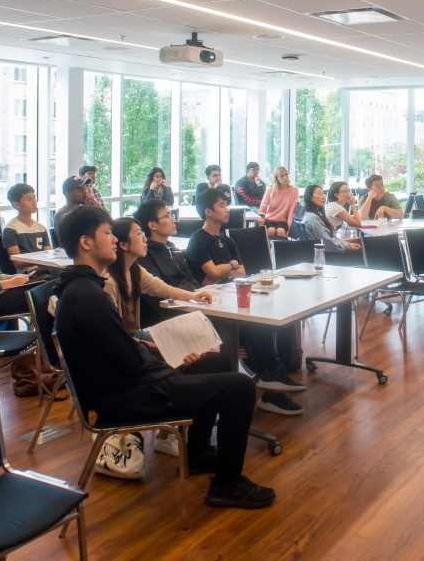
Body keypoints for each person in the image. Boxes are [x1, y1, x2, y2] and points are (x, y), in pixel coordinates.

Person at [52, 206, 276, 509]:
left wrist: (170, 356)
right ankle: (226, 484)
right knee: (240, 388)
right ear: (86, 242)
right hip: (127, 396)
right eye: (107, 233)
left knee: (212, 362)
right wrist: (168, 359)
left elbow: (126, 348)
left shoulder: (82, 289)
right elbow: (131, 360)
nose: (114, 240)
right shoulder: (89, 295)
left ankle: (196, 455)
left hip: (127, 385)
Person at [185, 188, 305, 416]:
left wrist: (225, 270)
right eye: (221, 205)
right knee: (254, 325)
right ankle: (271, 380)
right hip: (210, 305)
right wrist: (230, 267)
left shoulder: (226, 240)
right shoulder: (197, 240)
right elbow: (213, 271)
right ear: (209, 212)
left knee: (263, 320)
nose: (227, 209)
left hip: (230, 296)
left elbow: (242, 272)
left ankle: (271, 381)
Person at [106, 216, 211, 334]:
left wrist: (193, 295)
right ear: (123, 245)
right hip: (123, 343)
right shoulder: (109, 282)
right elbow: (113, 333)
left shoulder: (134, 270)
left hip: (135, 337)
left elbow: (162, 288)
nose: (144, 239)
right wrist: (154, 345)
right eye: (139, 234)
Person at [136, 198, 202, 292]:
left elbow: (192, 281)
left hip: (191, 300)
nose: (174, 220)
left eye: (172, 215)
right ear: (153, 225)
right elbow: (161, 291)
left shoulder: (172, 248)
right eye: (167, 216)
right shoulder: (146, 255)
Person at [2, 182, 50, 268]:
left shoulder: (41, 228)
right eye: (29, 199)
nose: (34, 202)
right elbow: (17, 261)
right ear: (16, 204)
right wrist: (41, 261)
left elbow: (49, 256)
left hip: (43, 269)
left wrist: (40, 265)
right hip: (26, 273)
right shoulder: (11, 229)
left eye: (34, 198)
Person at [301, 185, 361, 255]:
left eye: (323, 194)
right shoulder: (314, 218)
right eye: (320, 194)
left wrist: (347, 244)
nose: (323, 196)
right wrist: (348, 246)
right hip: (327, 254)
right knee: (363, 246)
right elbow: (326, 242)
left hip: (327, 249)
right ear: (310, 198)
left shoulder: (308, 214)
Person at [257, 166, 297, 237]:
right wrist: (261, 222)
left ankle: (280, 248)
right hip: (269, 219)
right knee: (271, 230)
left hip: (283, 221)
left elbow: (292, 210)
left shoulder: (294, 190)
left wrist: (290, 227)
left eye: (286, 174)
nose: (285, 177)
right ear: (276, 178)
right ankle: (269, 248)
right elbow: (263, 207)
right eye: (281, 176)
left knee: (280, 231)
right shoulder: (270, 190)